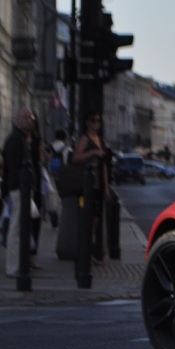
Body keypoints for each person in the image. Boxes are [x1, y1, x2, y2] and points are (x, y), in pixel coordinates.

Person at [2, 106, 43, 277]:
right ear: (17, 120)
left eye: (31, 118)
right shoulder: (15, 139)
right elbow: (12, 165)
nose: (29, 120)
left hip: (25, 188)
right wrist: (23, 182)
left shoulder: (22, 138)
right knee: (16, 227)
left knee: (22, 228)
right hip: (19, 188)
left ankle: (19, 264)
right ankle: (12, 267)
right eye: (25, 117)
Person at [70, 111, 110, 263]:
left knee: (96, 220)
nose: (96, 124)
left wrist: (106, 187)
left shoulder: (100, 140)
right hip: (87, 185)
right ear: (87, 123)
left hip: (98, 184)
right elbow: (75, 157)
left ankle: (89, 251)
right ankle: (85, 252)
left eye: (98, 121)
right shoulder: (85, 139)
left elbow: (104, 165)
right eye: (93, 120)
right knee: (87, 217)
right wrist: (92, 152)